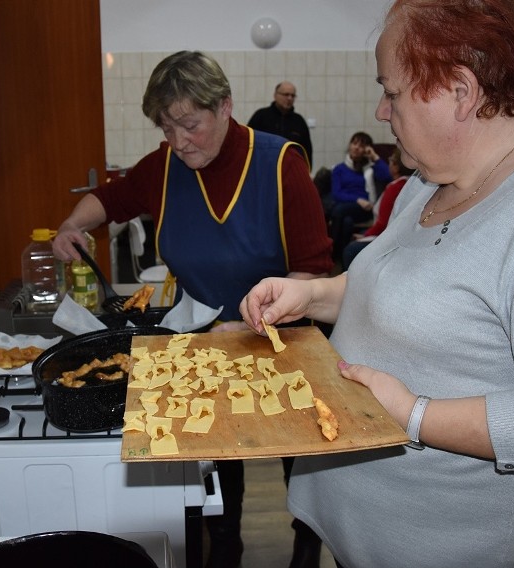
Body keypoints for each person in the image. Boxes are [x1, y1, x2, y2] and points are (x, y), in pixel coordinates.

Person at [239, 1, 514, 567]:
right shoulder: (431, 175)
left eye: (391, 92)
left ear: (460, 91)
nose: (381, 109)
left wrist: (414, 414)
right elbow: (399, 291)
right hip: (364, 528)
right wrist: (314, 295)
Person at [51, 51, 333, 568]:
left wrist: (260, 315)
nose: (180, 141)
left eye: (190, 125)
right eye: (167, 128)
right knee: (216, 474)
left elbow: (312, 269)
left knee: (303, 475)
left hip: (282, 347)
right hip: (202, 345)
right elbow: (111, 200)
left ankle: (306, 548)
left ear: (225, 107)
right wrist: (72, 223)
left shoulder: (279, 164)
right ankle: (224, 548)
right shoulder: (163, 169)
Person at [321, 132, 391, 265]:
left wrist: (374, 157)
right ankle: (343, 259)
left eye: (361, 145)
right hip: (347, 206)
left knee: (338, 211)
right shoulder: (339, 169)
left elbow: (388, 176)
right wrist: (357, 200)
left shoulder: (371, 168)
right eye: (354, 143)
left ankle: (332, 254)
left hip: (366, 209)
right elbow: (337, 193)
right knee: (346, 221)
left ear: (367, 149)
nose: (356, 147)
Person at [340, 147, 414, 270]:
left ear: (395, 167)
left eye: (390, 160)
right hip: (393, 234)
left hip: (385, 235)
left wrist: (365, 236)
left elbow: (382, 224)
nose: (388, 163)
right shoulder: (409, 183)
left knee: (350, 250)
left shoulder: (394, 188)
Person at [248, 81, 313, 168]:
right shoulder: (261, 116)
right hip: (263, 168)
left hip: (291, 170)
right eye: (286, 94)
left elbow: (307, 150)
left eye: (293, 96)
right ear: (275, 95)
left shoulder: (299, 121)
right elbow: (248, 143)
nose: (289, 98)